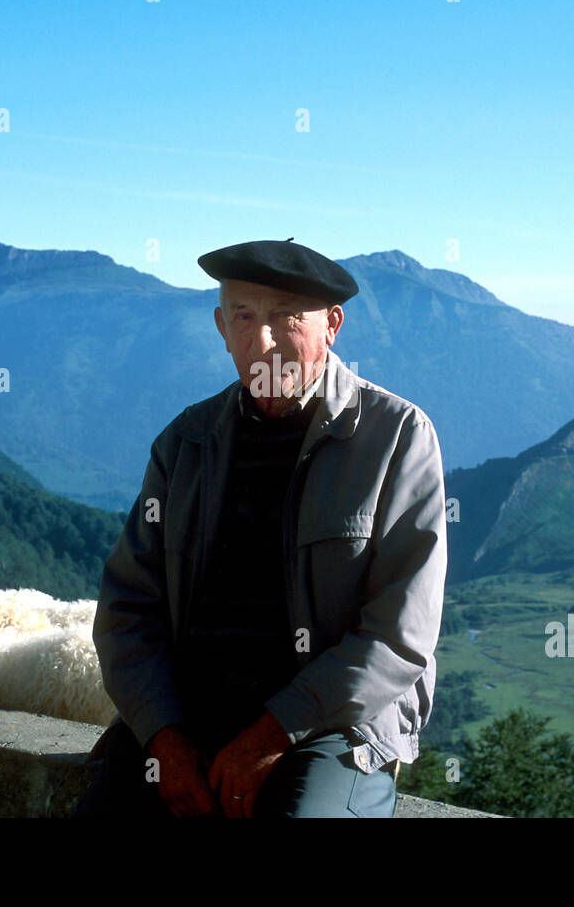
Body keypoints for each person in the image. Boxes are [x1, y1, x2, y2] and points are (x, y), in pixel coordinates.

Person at [76, 238, 446, 818]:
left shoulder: (395, 438)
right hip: (191, 715)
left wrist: (275, 731)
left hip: (334, 722)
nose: (263, 341)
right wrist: (163, 736)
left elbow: (400, 635)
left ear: (332, 325)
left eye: (286, 318)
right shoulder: (187, 443)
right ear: (222, 327)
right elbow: (128, 608)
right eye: (244, 317)